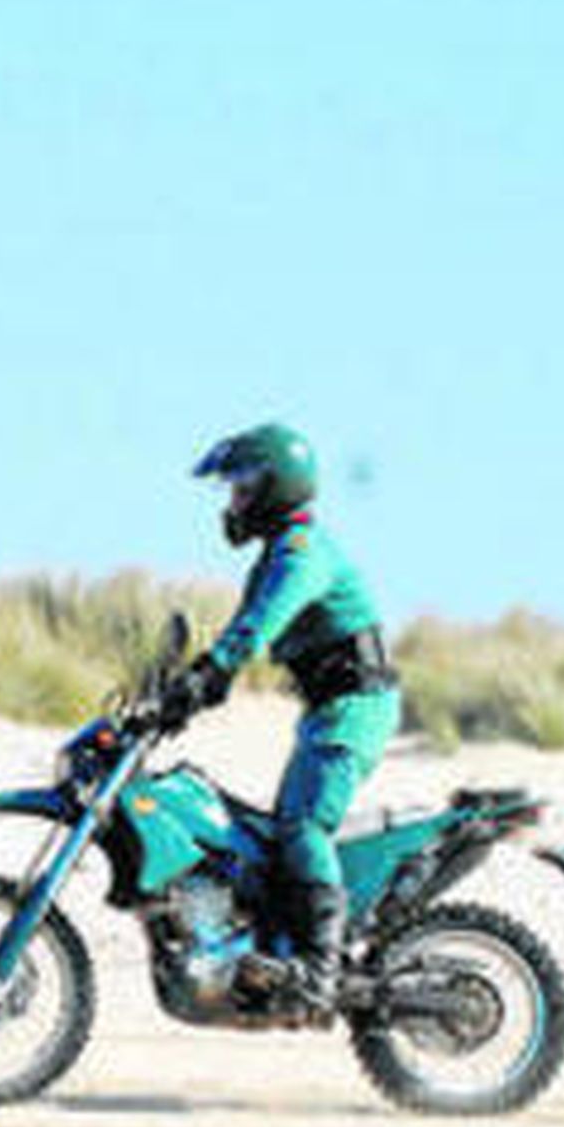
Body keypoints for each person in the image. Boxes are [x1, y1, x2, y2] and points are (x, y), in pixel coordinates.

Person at [158, 421, 400, 1022]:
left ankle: (320, 969)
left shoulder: (301, 555)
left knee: (300, 828)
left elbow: (255, 629)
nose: (233, 503)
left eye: (241, 488)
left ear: (274, 488)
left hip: (354, 712)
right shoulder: (274, 559)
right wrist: (184, 689)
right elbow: (233, 640)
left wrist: (212, 673)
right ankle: (270, 943)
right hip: (328, 714)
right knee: (264, 841)